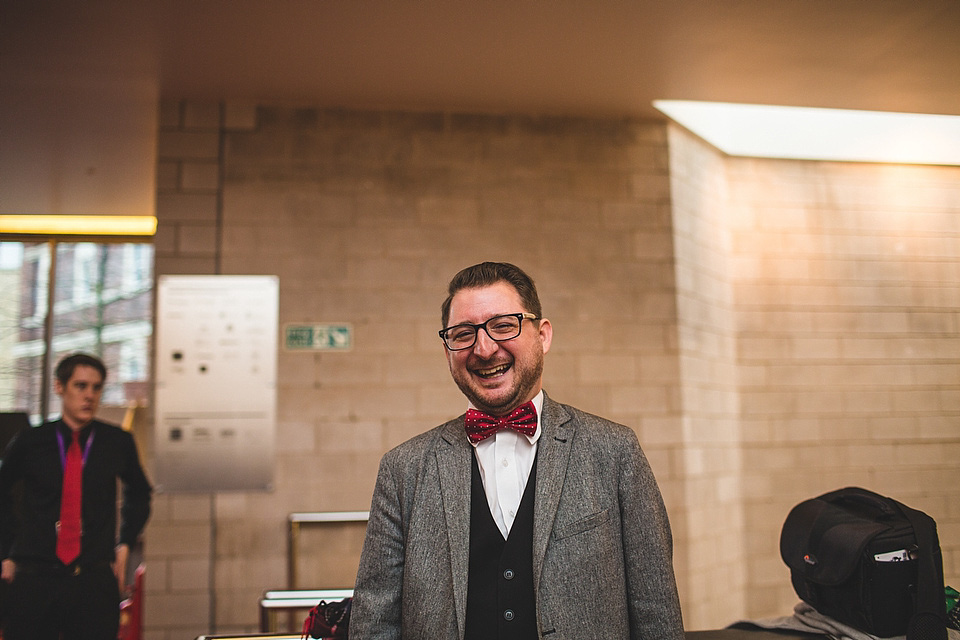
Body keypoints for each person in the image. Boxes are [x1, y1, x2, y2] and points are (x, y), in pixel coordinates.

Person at [351, 262, 684, 639]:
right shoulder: (403, 470)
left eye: (504, 326)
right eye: (463, 334)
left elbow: (656, 611)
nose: (484, 348)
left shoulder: (615, 452)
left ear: (543, 335)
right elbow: (374, 621)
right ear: (447, 351)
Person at [0, 353, 152, 640]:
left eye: (96, 388)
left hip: (92, 576)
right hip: (36, 574)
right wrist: (6, 551)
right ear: (60, 387)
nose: (89, 396)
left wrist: (125, 543)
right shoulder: (31, 441)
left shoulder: (117, 442)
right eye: (80, 386)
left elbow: (141, 493)